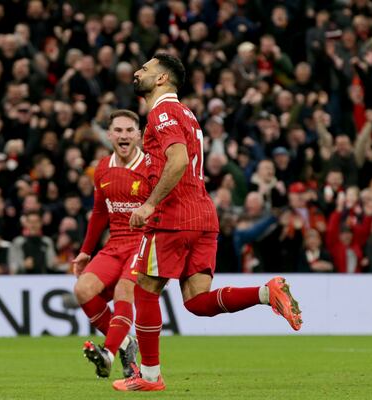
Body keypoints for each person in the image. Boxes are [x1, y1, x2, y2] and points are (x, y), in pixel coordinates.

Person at [113, 53, 302, 392]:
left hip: (173, 217)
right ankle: (265, 292)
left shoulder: (163, 112)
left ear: (161, 80)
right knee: (197, 302)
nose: (138, 71)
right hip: (203, 217)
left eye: (146, 68)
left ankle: (151, 377)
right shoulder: (187, 114)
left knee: (144, 288)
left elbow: (179, 159)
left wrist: (150, 204)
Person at [71, 110, 150, 378]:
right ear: (109, 135)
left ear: (138, 135)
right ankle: (127, 344)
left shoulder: (151, 167)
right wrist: (85, 252)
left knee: (123, 291)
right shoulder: (102, 167)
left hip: (143, 243)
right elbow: (99, 214)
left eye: (129, 130)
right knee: (82, 290)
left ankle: (108, 352)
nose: (124, 135)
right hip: (115, 243)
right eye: (118, 130)